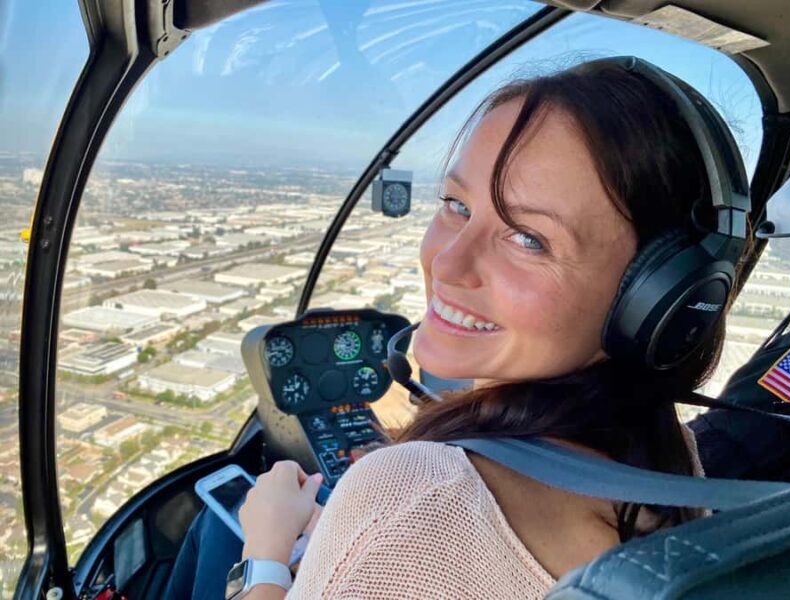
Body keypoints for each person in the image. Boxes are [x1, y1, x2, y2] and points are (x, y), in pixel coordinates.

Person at [169, 58, 745, 599]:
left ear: (659, 299)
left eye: (528, 239)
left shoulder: (418, 493)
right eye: (457, 205)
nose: (445, 263)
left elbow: (438, 531)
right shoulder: (671, 460)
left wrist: (266, 553)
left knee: (213, 533)